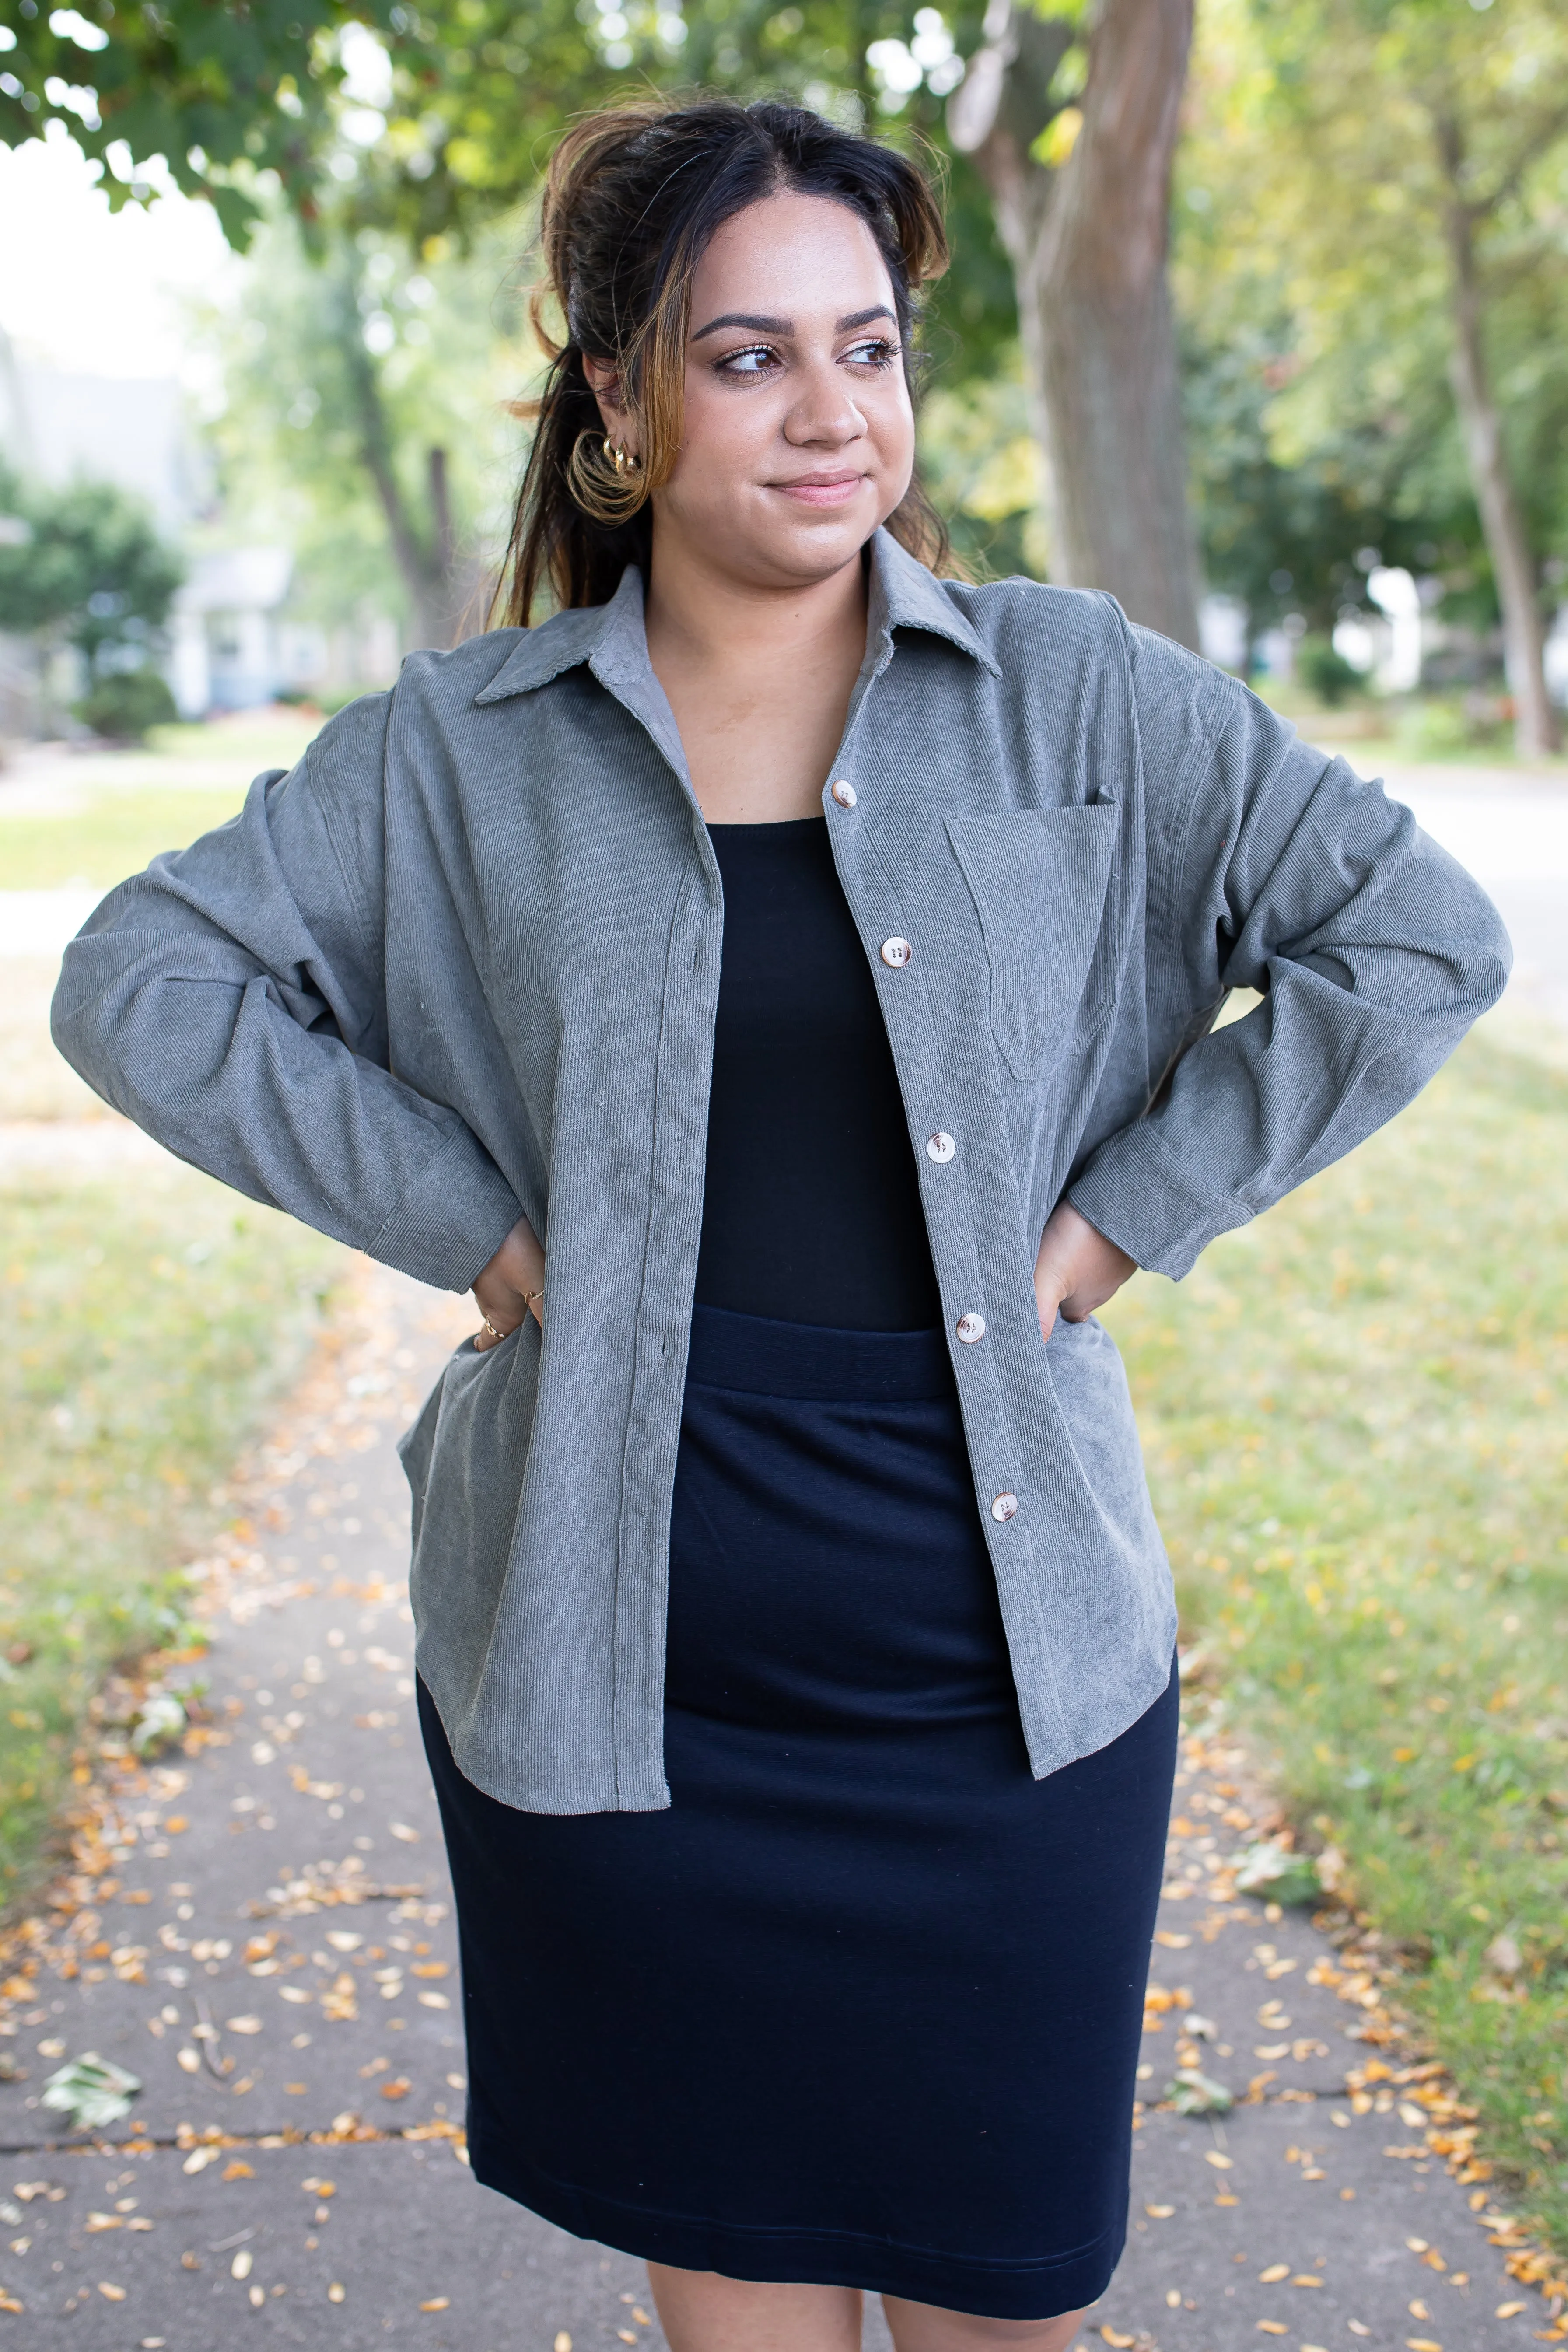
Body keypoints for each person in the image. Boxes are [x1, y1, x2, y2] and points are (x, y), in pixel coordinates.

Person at [53, 94, 1508, 2352]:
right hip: (630, 1694)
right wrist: (461, 1214)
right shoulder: (468, 751)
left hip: (998, 1686)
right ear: (623, 400)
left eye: (871, 345)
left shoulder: (1079, 703)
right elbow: (139, 978)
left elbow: (1413, 937)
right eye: (750, 359)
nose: (836, 412)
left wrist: (1129, 1215)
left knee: (1004, 2300)